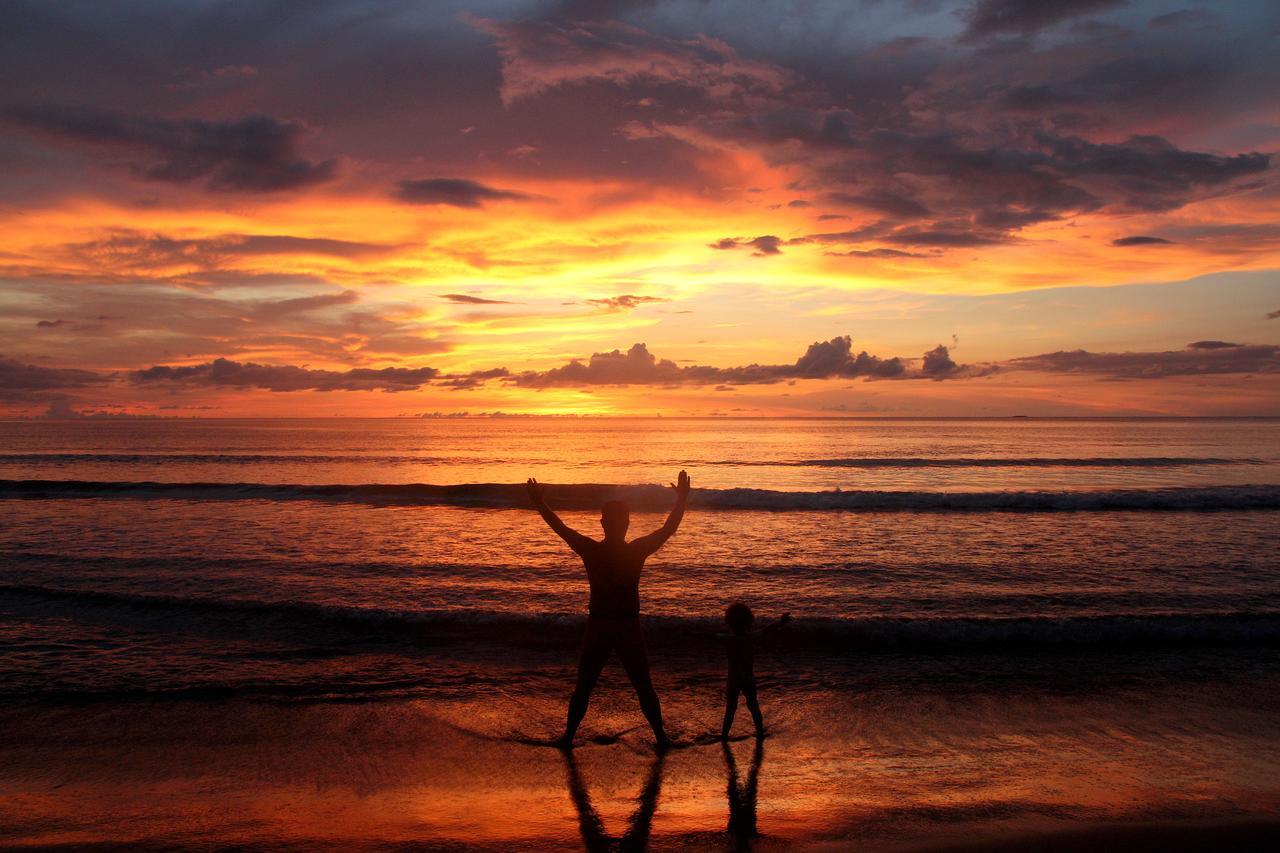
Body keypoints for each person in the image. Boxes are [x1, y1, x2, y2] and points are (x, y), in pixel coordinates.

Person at [527, 470, 691, 750]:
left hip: (600, 625)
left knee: (586, 685)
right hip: (627, 626)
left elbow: (561, 528)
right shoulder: (636, 550)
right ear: (627, 523)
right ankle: (661, 738)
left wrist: (540, 503)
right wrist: (682, 500)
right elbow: (668, 528)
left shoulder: (592, 550)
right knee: (642, 685)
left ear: (602, 523)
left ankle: (568, 737)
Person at [720, 603, 790, 740]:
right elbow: (767, 630)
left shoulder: (727, 639)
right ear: (749, 621)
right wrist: (781, 621)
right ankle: (760, 733)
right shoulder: (750, 637)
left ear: (729, 622)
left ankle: (724, 736)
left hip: (733, 679)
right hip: (748, 678)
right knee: (753, 706)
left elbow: (705, 636)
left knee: (730, 709)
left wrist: (686, 633)